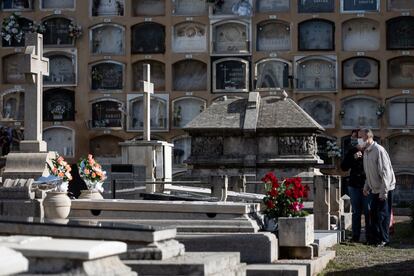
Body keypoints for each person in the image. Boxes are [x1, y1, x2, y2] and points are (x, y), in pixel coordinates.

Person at [359, 128, 396, 247]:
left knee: (382, 216)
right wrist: (366, 187)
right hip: (374, 189)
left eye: (362, 138)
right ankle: (374, 239)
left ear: (369, 137)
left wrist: (383, 192)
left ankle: (384, 240)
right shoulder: (366, 152)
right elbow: (368, 173)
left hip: (385, 188)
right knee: (373, 215)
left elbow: (386, 173)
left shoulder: (379, 150)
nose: (360, 140)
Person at [341, 129, 372, 243]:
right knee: (356, 212)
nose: (356, 140)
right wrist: (353, 157)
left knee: (368, 211)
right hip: (354, 184)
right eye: (354, 138)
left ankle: (369, 236)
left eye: (358, 137)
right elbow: (344, 167)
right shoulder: (352, 151)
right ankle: (355, 236)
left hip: (367, 185)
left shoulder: (370, 150)